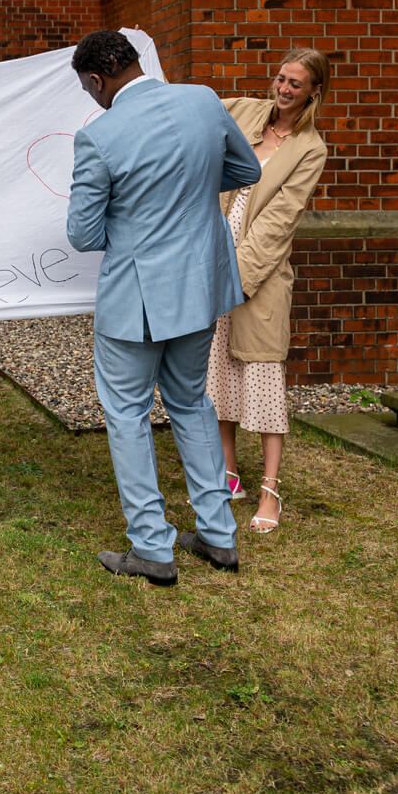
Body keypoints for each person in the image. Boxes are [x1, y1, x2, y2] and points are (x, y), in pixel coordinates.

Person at [66, 29, 261, 586]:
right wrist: (193, 189)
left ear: (97, 79)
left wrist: (132, 213)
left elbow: (82, 234)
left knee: (127, 414)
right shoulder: (203, 99)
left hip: (137, 297)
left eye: (88, 89)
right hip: (201, 288)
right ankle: (219, 536)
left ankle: (153, 547)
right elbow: (247, 170)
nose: (91, 98)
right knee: (190, 402)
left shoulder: (99, 136)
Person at [208, 49, 330, 534]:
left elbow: (279, 223)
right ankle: (229, 475)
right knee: (217, 376)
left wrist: (234, 279)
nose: (282, 89)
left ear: (313, 92)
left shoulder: (310, 148)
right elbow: (199, 109)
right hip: (213, 258)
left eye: (295, 84)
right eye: (280, 79)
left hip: (257, 275)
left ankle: (270, 491)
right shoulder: (246, 112)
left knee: (262, 379)